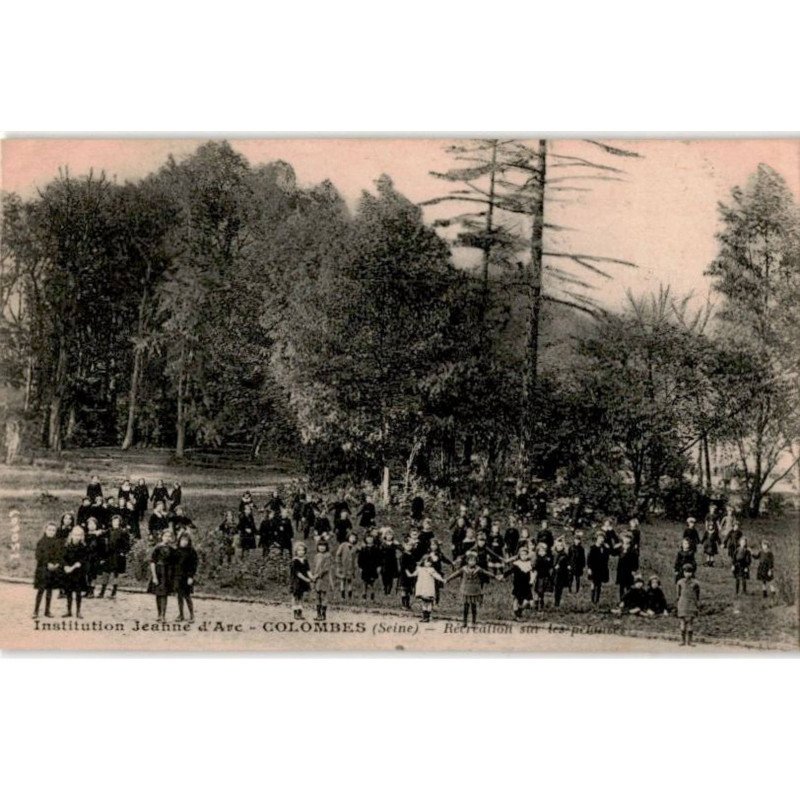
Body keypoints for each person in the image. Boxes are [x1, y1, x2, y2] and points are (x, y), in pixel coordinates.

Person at [446, 550, 495, 626]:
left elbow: (487, 573)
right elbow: (455, 574)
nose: (472, 562)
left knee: (473, 606)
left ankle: (473, 622)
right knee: (465, 606)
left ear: (476, 561)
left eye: (474, 560)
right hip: (466, 589)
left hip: (475, 590)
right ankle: (464, 622)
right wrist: (448, 579)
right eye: (470, 560)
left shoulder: (479, 569)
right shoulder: (463, 569)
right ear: (467, 561)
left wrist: (495, 576)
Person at [33, 522, 63, 619]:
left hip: (52, 570)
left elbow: (59, 555)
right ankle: (36, 611)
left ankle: (47, 610)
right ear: (45, 530)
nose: (51, 532)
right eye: (49, 530)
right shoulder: (41, 542)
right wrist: (47, 563)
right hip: (42, 570)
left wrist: (57, 563)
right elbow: (38, 556)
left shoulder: (57, 542)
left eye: (53, 530)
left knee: (49, 591)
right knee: (41, 590)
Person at [148, 529, 176, 622]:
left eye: (169, 536)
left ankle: (163, 615)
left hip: (167, 573)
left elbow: (174, 563)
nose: (167, 538)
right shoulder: (157, 548)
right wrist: (154, 576)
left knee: (164, 594)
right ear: (162, 537)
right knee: (158, 594)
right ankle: (159, 614)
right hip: (159, 572)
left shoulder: (172, 549)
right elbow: (152, 562)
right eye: (165, 536)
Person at [62, 526, 89, 619]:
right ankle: (69, 611)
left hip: (78, 573)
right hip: (68, 573)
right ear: (71, 535)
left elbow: (84, 559)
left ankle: (78, 611)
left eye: (79, 535)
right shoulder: (67, 546)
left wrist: (77, 565)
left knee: (78, 592)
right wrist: (65, 566)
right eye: (75, 535)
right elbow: (63, 558)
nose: (77, 537)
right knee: (68, 592)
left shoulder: (83, 547)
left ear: (82, 536)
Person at [501, 545, 534, 619]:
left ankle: (519, 611)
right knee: (516, 599)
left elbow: (532, 572)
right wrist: (503, 576)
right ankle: (517, 614)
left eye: (525, 554)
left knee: (528, 602)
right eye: (522, 554)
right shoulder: (516, 564)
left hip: (526, 585)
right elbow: (509, 571)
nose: (524, 556)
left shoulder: (529, 564)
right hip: (518, 585)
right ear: (519, 555)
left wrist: (532, 580)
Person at [408, 554, 444, 621]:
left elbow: (436, 575)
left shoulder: (431, 570)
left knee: (429, 602)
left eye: (430, 562)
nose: (429, 563)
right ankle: (424, 616)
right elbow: (414, 574)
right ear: (423, 562)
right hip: (422, 588)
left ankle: (428, 616)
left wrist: (442, 579)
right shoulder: (420, 569)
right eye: (427, 562)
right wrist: (409, 574)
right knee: (423, 602)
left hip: (428, 588)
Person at [102, 515, 130, 599]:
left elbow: (127, 545)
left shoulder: (123, 532)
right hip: (109, 554)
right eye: (114, 521)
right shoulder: (109, 531)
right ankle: (102, 591)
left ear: (120, 522)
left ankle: (114, 591)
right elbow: (102, 537)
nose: (115, 523)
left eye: (117, 521)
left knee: (115, 573)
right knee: (106, 572)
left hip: (117, 555)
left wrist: (123, 552)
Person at [173, 532, 198, 622]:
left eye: (186, 540)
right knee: (179, 596)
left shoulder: (192, 552)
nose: (184, 542)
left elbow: (194, 565)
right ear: (179, 540)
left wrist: (191, 577)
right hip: (177, 576)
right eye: (182, 540)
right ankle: (181, 615)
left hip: (186, 577)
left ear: (189, 541)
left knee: (187, 596)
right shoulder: (176, 551)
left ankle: (192, 615)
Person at [676, 563, 700, 646]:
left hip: (691, 604)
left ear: (692, 573)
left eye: (690, 572)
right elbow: (678, 594)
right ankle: (682, 640)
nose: (688, 574)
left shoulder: (695, 583)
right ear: (683, 572)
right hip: (682, 604)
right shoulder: (680, 582)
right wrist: (678, 604)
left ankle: (690, 641)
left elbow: (697, 595)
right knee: (682, 623)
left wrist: (696, 604)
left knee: (690, 623)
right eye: (686, 572)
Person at [289, 542, 312, 620]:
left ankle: (300, 612)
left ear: (305, 551)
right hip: (296, 581)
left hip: (302, 582)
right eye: (299, 550)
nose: (301, 552)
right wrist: (306, 579)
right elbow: (298, 573)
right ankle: (295, 612)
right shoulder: (294, 561)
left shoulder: (305, 560)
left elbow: (308, 571)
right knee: (295, 597)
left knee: (301, 597)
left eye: (302, 550)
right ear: (296, 551)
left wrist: (312, 577)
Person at [587, 533, 610, 605]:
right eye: (600, 538)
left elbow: (607, 558)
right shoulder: (593, 548)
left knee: (599, 585)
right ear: (597, 539)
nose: (601, 540)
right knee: (593, 583)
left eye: (603, 538)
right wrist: (589, 568)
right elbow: (589, 559)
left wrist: (608, 548)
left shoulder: (605, 548)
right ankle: (592, 600)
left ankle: (597, 600)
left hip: (602, 569)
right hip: (594, 568)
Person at [312, 539, 333, 621]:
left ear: (326, 547)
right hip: (317, 579)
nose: (322, 548)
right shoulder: (316, 556)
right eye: (320, 546)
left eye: (323, 546)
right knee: (317, 596)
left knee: (323, 595)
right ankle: (318, 614)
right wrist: (313, 575)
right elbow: (314, 567)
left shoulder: (328, 556)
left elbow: (326, 568)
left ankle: (323, 614)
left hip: (324, 578)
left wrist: (318, 575)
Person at [357, 532, 381, 601]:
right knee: (364, 582)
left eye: (371, 538)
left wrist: (378, 566)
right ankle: (364, 596)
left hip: (373, 567)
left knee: (372, 582)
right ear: (365, 539)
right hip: (365, 567)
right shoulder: (363, 549)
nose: (369, 539)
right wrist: (360, 567)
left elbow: (379, 558)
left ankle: (372, 596)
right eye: (368, 538)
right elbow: (360, 559)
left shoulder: (376, 548)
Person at [335, 532, 357, 600]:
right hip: (343, 566)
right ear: (348, 537)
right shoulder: (343, 545)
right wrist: (339, 564)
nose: (352, 539)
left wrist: (355, 567)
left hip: (350, 567)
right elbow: (338, 555)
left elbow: (355, 558)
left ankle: (350, 596)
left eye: (354, 538)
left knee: (350, 581)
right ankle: (342, 596)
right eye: (351, 537)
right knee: (342, 580)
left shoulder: (354, 548)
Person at [531, 542, 554, 611]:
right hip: (539, 577)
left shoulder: (548, 559)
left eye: (543, 551)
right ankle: (536, 604)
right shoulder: (537, 560)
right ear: (538, 552)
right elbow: (534, 569)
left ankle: (541, 604)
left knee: (542, 591)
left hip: (546, 577)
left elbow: (550, 566)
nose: (542, 552)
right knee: (538, 591)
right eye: (540, 551)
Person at [616, 536, 638, 601]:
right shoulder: (620, 548)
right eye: (625, 538)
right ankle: (621, 600)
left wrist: (634, 570)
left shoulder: (633, 549)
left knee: (629, 586)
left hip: (629, 570)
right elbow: (613, 552)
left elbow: (636, 561)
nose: (626, 540)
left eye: (628, 538)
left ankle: (628, 601)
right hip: (621, 570)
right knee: (621, 586)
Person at [552, 537, 572, 608]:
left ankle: (557, 602)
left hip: (562, 574)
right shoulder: (554, 553)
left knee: (559, 588)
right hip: (554, 573)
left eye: (561, 545)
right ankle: (555, 601)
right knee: (555, 587)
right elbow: (552, 562)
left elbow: (568, 562)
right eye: (558, 545)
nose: (559, 547)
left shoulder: (564, 554)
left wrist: (568, 566)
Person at [380, 530, 400, 595]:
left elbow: (402, 549)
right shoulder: (383, 544)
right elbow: (379, 553)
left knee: (391, 578)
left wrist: (398, 544)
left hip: (392, 562)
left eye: (391, 535)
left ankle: (389, 592)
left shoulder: (394, 544)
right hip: (384, 562)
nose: (389, 536)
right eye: (388, 535)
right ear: (385, 536)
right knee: (384, 577)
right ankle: (384, 590)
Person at [399, 541, 418, 610]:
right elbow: (404, 566)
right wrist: (408, 573)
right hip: (405, 575)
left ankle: (407, 604)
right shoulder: (403, 556)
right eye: (407, 545)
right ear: (404, 546)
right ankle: (403, 605)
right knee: (404, 590)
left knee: (409, 590)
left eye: (410, 545)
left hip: (411, 575)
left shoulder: (412, 555)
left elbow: (414, 565)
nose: (409, 546)